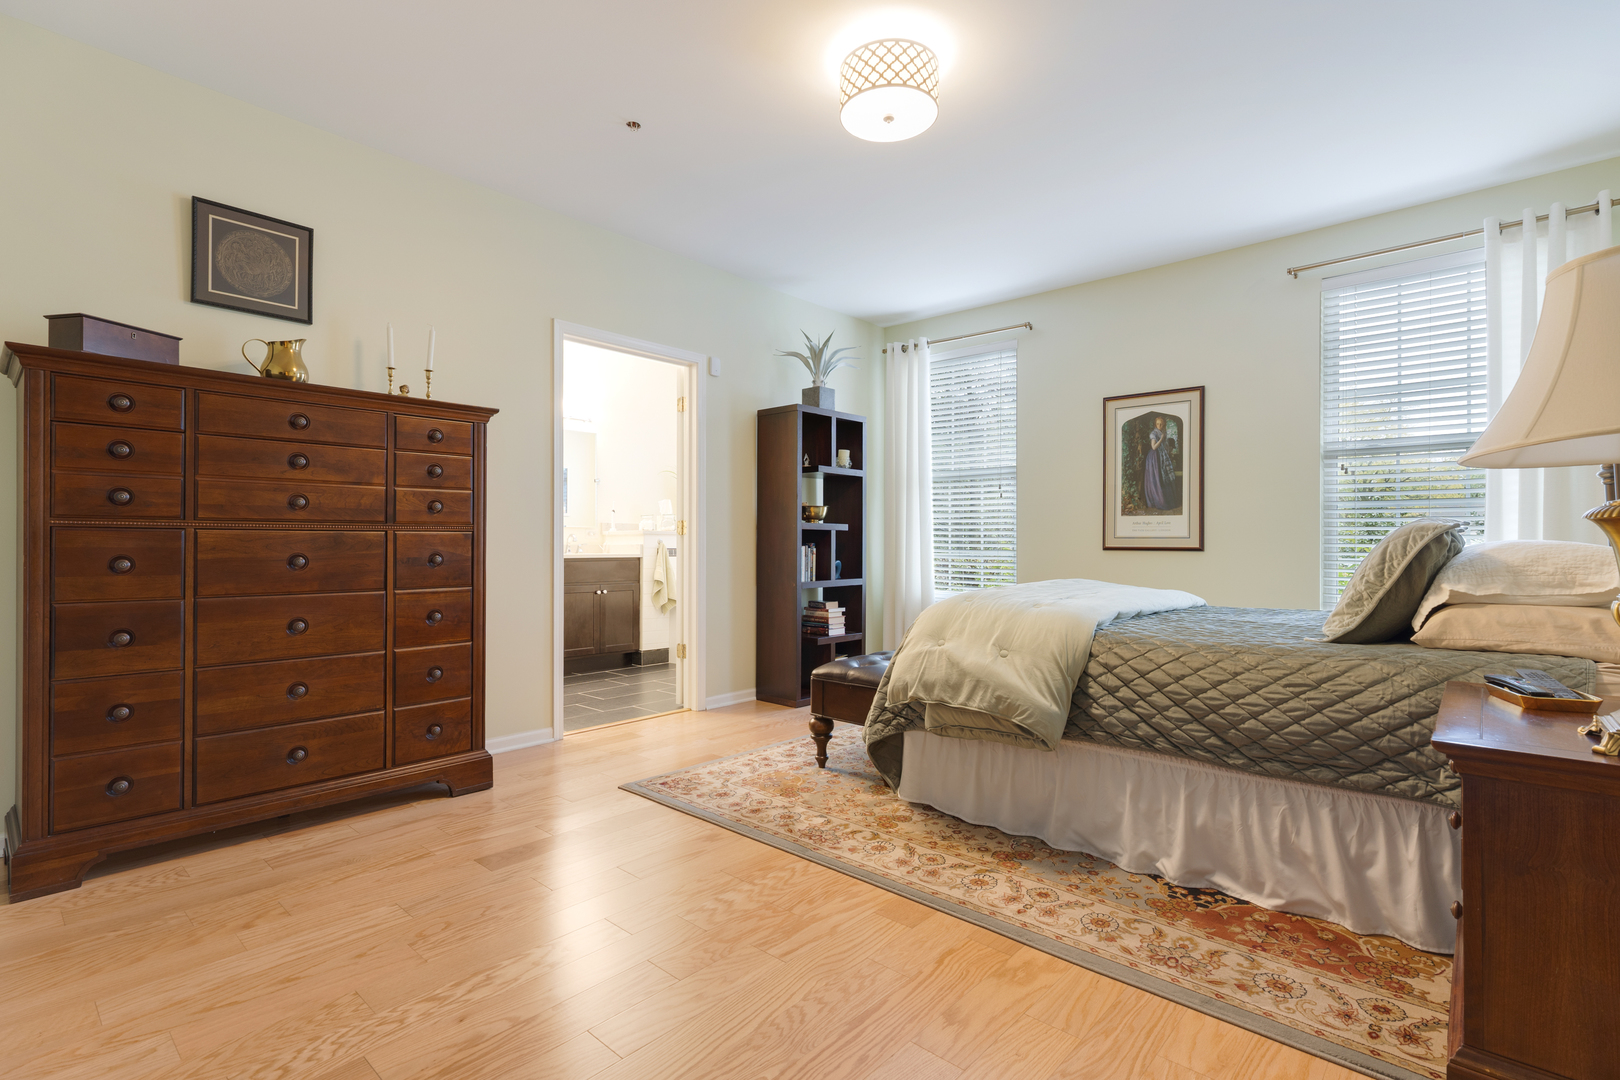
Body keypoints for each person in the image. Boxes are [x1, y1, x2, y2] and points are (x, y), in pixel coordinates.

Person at [1143, 415, 1178, 511]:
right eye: (1158, 424)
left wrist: (1167, 450)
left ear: (1164, 424)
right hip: (1154, 457)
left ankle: (1167, 500)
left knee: (1164, 477)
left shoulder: (1163, 432)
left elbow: (1165, 445)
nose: (1160, 425)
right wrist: (1161, 439)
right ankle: (1158, 500)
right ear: (1155, 424)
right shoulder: (1154, 433)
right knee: (1157, 477)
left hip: (1162, 455)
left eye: (1161, 424)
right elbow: (1154, 447)